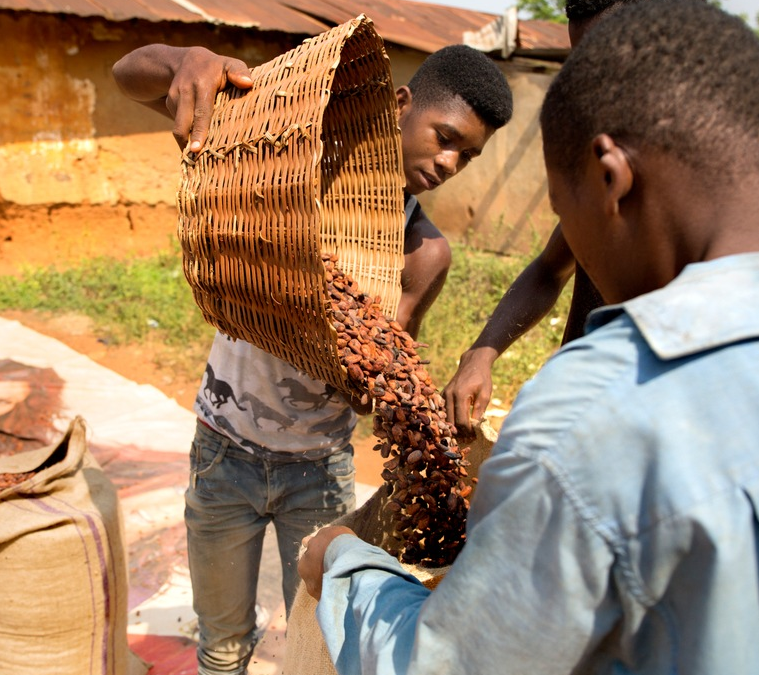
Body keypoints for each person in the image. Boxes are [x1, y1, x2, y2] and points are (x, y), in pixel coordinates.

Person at [298, 2, 759, 673]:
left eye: (563, 206)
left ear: (610, 178)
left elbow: (444, 664)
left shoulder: (593, 423)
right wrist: (485, 347)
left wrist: (344, 564)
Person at [113, 40, 513, 675]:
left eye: (467, 155)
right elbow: (126, 74)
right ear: (400, 105)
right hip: (225, 446)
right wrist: (184, 60)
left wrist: (390, 396)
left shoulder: (423, 254)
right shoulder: (292, 167)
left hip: (318, 470)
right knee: (222, 640)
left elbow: (376, 368)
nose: (449, 161)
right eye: (445, 137)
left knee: (314, 633)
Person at [441, 0, 759, 435]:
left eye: (606, 65)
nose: (592, 88)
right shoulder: (611, 187)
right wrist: (483, 351)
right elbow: (549, 270)